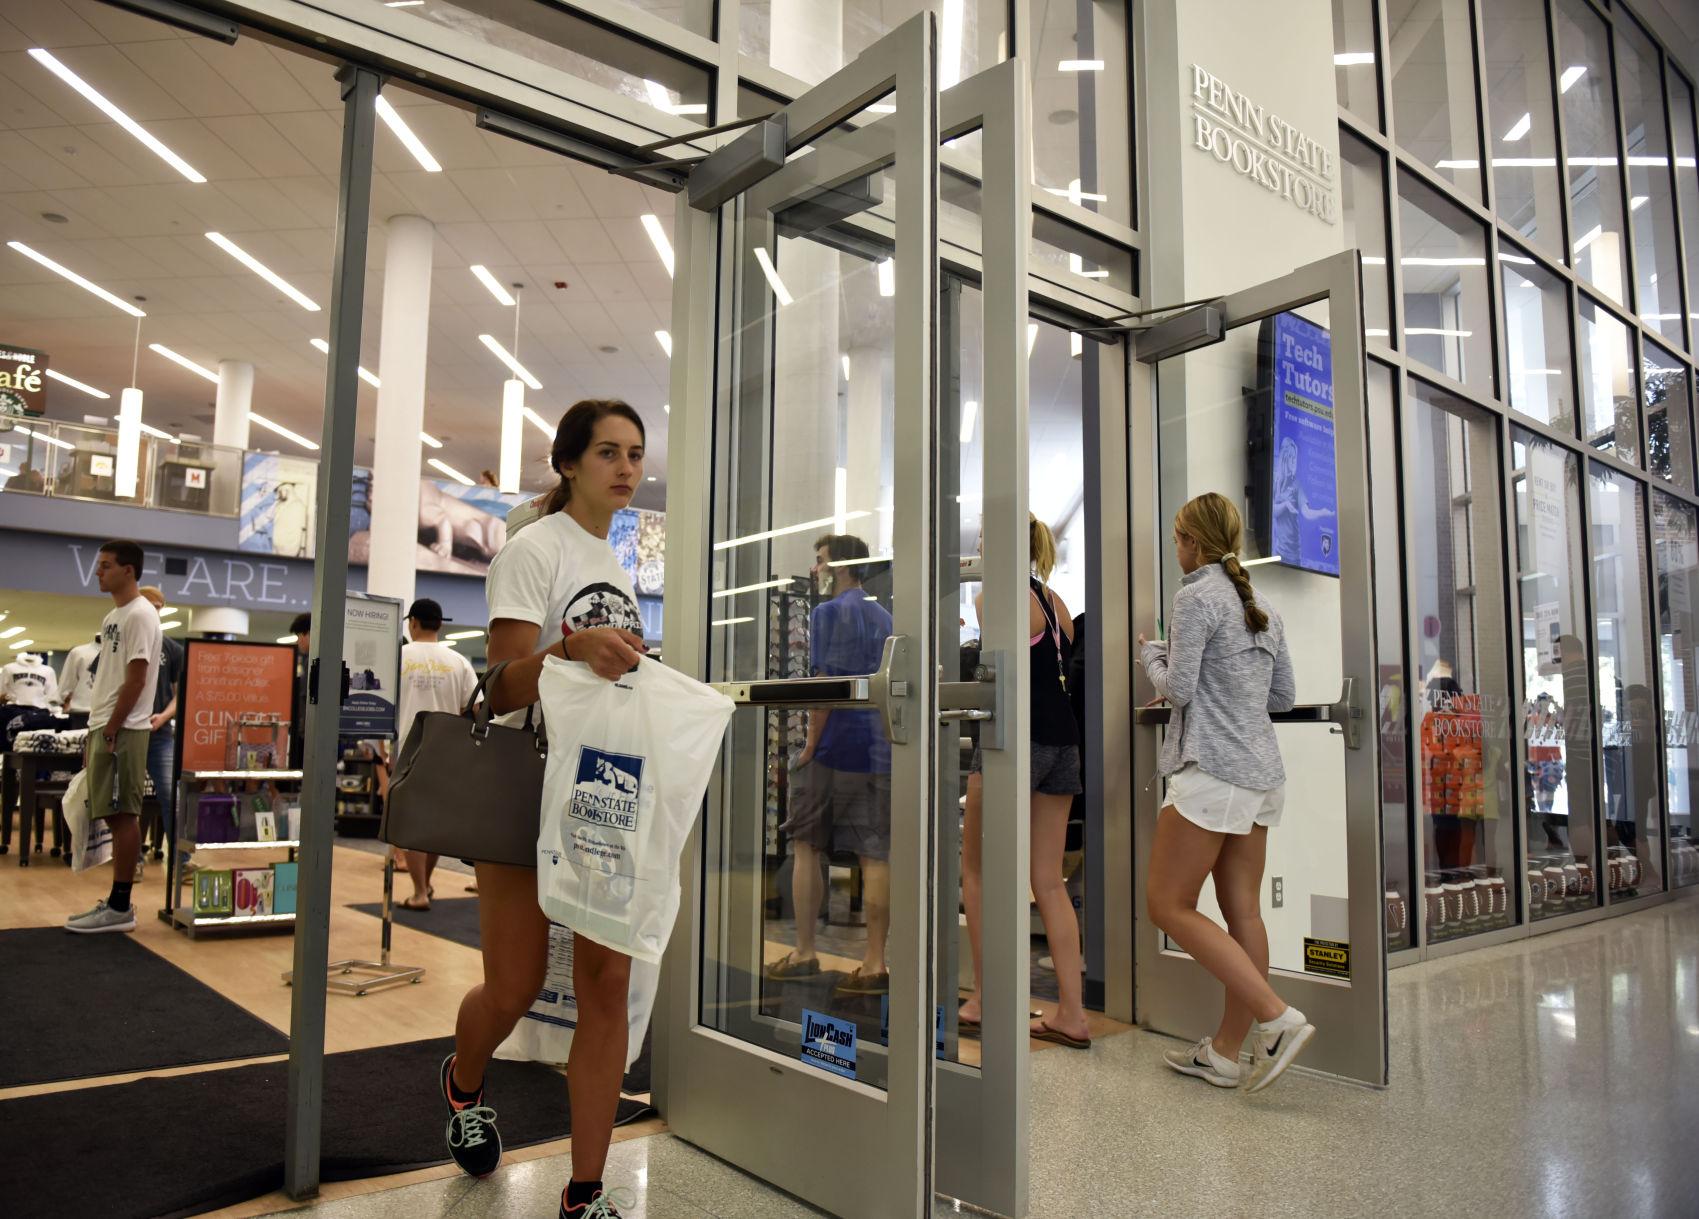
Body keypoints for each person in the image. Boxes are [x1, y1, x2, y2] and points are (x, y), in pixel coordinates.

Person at [444, 399, 648, 1219]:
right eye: (608, 451)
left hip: (602, 787)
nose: (626, 467)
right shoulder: (532, 550)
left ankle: (585, 1191)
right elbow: (495, 687)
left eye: (635, 453)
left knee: (607, 982)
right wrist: (568, 650)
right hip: (525, 785)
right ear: (568, 464)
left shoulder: (615, 557)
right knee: (515, 983)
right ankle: (462, 1085)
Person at [1137, 492, 1310, 1093]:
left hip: (1213, 773)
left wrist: (1150, 657)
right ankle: (1228, 1054)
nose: (1175, 548)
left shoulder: (1195, 597)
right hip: (1263, 775)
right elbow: (1281, 697)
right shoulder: (1263, 604)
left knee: (1167, 905)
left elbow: (1179, 690)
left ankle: (1276, 1017)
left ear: (1195, 543)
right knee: (1244, 914)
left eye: (1178, 538)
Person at [958, 514, 1092, 1050]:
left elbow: (998, 679)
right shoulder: (1054, 602)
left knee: (979, 870)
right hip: (1064, 743)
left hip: (1018, 743)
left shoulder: (995, 597)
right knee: (1048, 879)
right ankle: (1072, 1014)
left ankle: (988, 998)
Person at [765, 533, 894, 996]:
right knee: (875, 854)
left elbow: (826, 685)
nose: (815, 570)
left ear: (839, 566)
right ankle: (875, 962)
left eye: (819, 561)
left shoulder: (826, 613)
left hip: (835, 745)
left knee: (806, 844)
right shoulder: (884, 616)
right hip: (878, 746)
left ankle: (804, 950)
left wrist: (809, 746)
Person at [64, 539, 161, 935]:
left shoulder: (140, 614)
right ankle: (116, 902)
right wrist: (96, 731)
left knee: (123, 815)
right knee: (110, 811)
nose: (98, 572)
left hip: (123, 729)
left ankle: (121, 906)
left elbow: (136, 680)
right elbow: (109, 680)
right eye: (98, 565)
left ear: (128, 571)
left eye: (106, 565)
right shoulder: (114, 617)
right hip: (105, 726)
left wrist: (112, 728)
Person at [393, 597, 477, 910]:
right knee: (435, 824)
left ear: (413, 622)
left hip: (408, 749)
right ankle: (425, 884)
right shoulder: (460, 663)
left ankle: (419, 892)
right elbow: (475, 708)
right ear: (440, 625)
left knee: (413, 823)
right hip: (447, 751)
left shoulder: (398, 657)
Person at [137, 587, 185, 862]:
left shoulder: (171, 648)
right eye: (147, 605)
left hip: (160, 734)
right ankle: (131, 860)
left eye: (157, 607)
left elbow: (181, 695)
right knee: (126, 800)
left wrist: (164, 716)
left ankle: (182, 860)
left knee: (171, 795)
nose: (152, 612)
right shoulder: (123, 639)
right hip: (126, 731)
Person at [57, 634, 100, 728]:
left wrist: (62, 700)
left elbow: (65, 686)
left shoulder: (78, 652)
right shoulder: (78, 652)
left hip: (83, 710)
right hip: (83, 712)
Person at [288, 612, 311, 770]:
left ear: (307, 634)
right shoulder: (307, 660)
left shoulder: (314, 663)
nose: (298, 641)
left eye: (299, 635)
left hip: (309, 733)